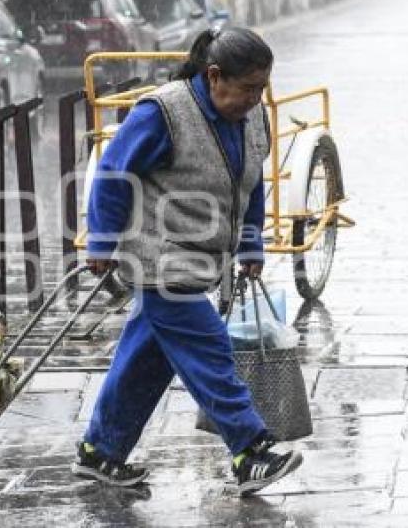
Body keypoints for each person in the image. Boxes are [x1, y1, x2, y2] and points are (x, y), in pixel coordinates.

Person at [73, 26, 303, 496]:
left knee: (147, 360)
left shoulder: (252, 117)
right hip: (158, 257)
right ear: (214, 76)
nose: (256, 99)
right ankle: (250, 450)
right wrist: (101, 240)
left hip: (202, 257)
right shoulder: (163, 113)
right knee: (209, 349)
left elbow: (251, 183)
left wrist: (251, 244)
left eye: (262, 88)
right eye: (248, 88)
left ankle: (101, 451)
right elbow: (114, 173)